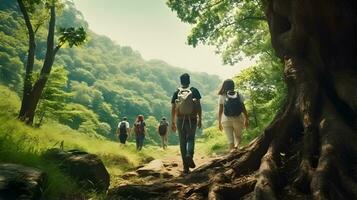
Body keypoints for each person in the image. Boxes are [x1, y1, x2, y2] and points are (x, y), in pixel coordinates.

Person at [171, 73, 202, 174]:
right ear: (189, 80)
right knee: (190, 139)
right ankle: (189, 154)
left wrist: (173, 121)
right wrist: (200, 119)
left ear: (181, 81)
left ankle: (185, 167)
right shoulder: (194, 90)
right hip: (192, 118)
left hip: (180, 119)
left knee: (182, 141)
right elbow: (198, 106)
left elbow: (173, 107)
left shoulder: (177, 92)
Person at [218, 79, 249, 152]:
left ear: (224, 86)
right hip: (238, 119)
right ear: (233, 85)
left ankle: (231, 154)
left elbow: (220, 110)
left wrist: (219, 122)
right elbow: (243, 108)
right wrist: (246, 119)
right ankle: (236, 147)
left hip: (225, 120)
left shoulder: (222, 96)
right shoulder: (238, 94)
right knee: (238, 138)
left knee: (230, 140)